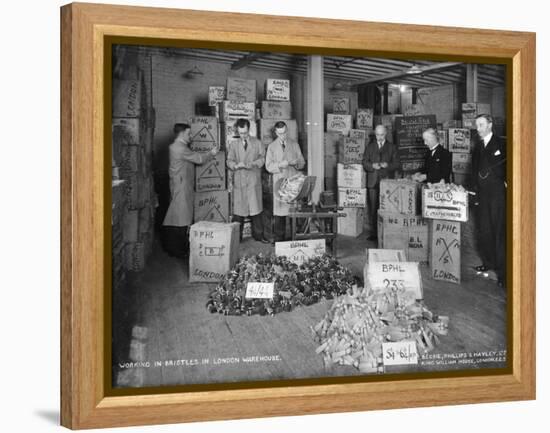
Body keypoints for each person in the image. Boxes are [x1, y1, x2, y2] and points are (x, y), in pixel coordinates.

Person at [162, 123, 218, 257]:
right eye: (189, 133)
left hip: (181, 184)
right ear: (181, 134)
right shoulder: (179, 148)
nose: (191, 136)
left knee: (179, 216)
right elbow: (199, 159)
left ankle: (178, 247)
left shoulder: (179, 147)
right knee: (180, 217)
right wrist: (212, 153)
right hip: (181, 186)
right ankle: (178, 249)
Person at [471, 114, 507, 288]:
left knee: (499, 232)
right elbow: (474, 170)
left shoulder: (502, 144)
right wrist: (474, 193)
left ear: (490, 125)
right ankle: (488, 262)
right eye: (477, 125)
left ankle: (503, 273)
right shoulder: (477, 146)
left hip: (498, 195)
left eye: (481, 125)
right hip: (483, 195)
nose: (478, 128)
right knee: (484, 230)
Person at [226, 118, 268, 243]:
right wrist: (235, 165)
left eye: (245, 132)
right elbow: (229, 160)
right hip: (240, 180)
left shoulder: (257, 143)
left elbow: (263, 159)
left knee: (256, 210)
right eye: (240, 133)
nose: (243, 135)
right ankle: (236, 238)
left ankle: (258, 236)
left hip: (253, 180)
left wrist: (253, 164)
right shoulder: (234, 144)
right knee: (239, 212)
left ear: (249, 130)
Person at [265, 121, 306, 242]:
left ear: (287, 130)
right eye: (280, 133)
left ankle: (295, 240)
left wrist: (297, 163)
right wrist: (280, 165)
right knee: (280, 214)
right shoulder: (271, 147)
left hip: (293, 182)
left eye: (284, 132)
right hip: (279, 183)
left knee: (293, 213)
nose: (283, 135)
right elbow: (268, 166)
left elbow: (302, 162)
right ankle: (279, 241)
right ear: (276, 132)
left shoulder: (294, 144)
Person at [362, 124, 400, 240]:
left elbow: (397, 164)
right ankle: (375, 234)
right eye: (377, 135)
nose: (379, 137)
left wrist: (387, 165)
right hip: (373, 183)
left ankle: (387, 233)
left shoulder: (392, 147)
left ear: (386, 134)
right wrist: (372, 165)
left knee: (387, 208)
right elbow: (364, 162)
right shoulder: (370, 146)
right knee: (373, 208)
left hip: (387, 182)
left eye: (382, 134)